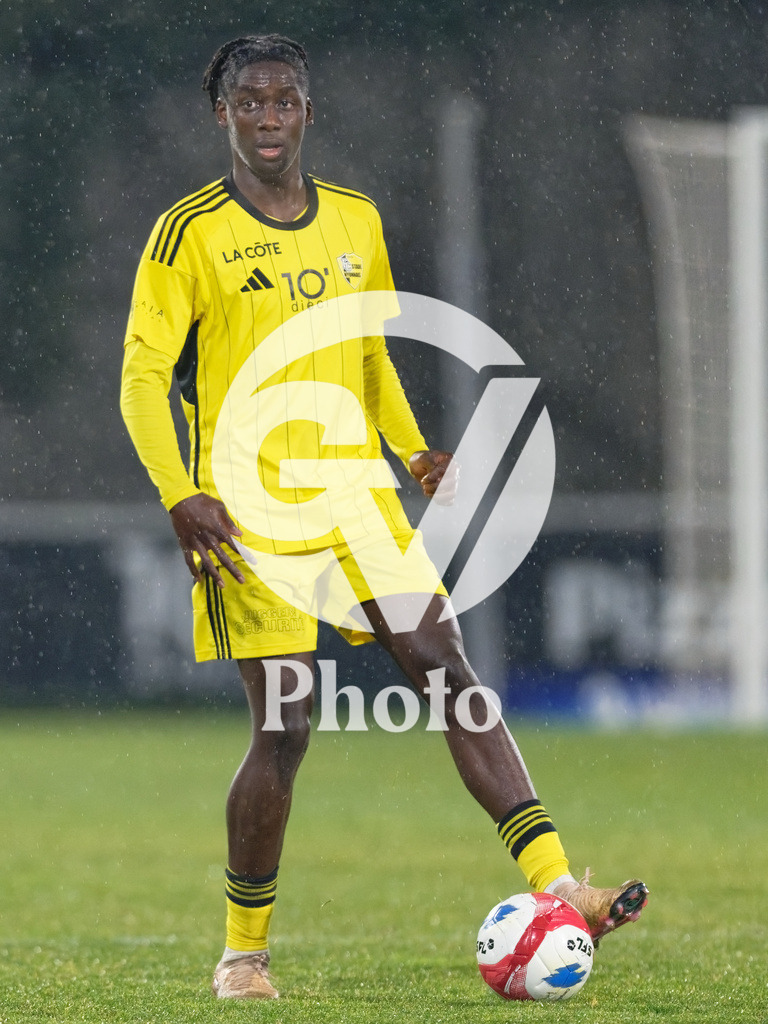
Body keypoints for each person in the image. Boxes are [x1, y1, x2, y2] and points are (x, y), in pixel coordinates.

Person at [120, 33, 648, 1001]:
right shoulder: (186, 234)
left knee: (447, 662)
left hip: (353, 492)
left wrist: (408, 450)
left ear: (309, 114)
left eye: (285, 102)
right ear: (223, 115)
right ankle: (243, 953)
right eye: (251, 103)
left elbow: (368, 354)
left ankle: (560, 884)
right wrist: (177, 490)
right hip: (248, 510)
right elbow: (143, 381)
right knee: (286, 722)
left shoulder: (355, 220)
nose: (269, 118)